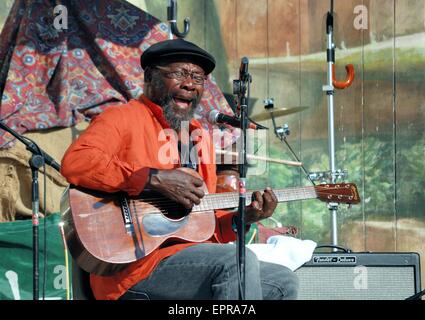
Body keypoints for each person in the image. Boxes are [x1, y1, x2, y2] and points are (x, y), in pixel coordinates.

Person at [60, 38, 299, 300]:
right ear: (150, 76)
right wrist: (153, 179)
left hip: (190, 262)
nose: (189, 84)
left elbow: (203, 222)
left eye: (198, 78)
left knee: (282, 280)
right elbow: (76, 162)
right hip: (134, 269)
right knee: (235, 262)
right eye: (179, 74)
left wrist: (243, 218)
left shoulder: (198, 138)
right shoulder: (122, 118)